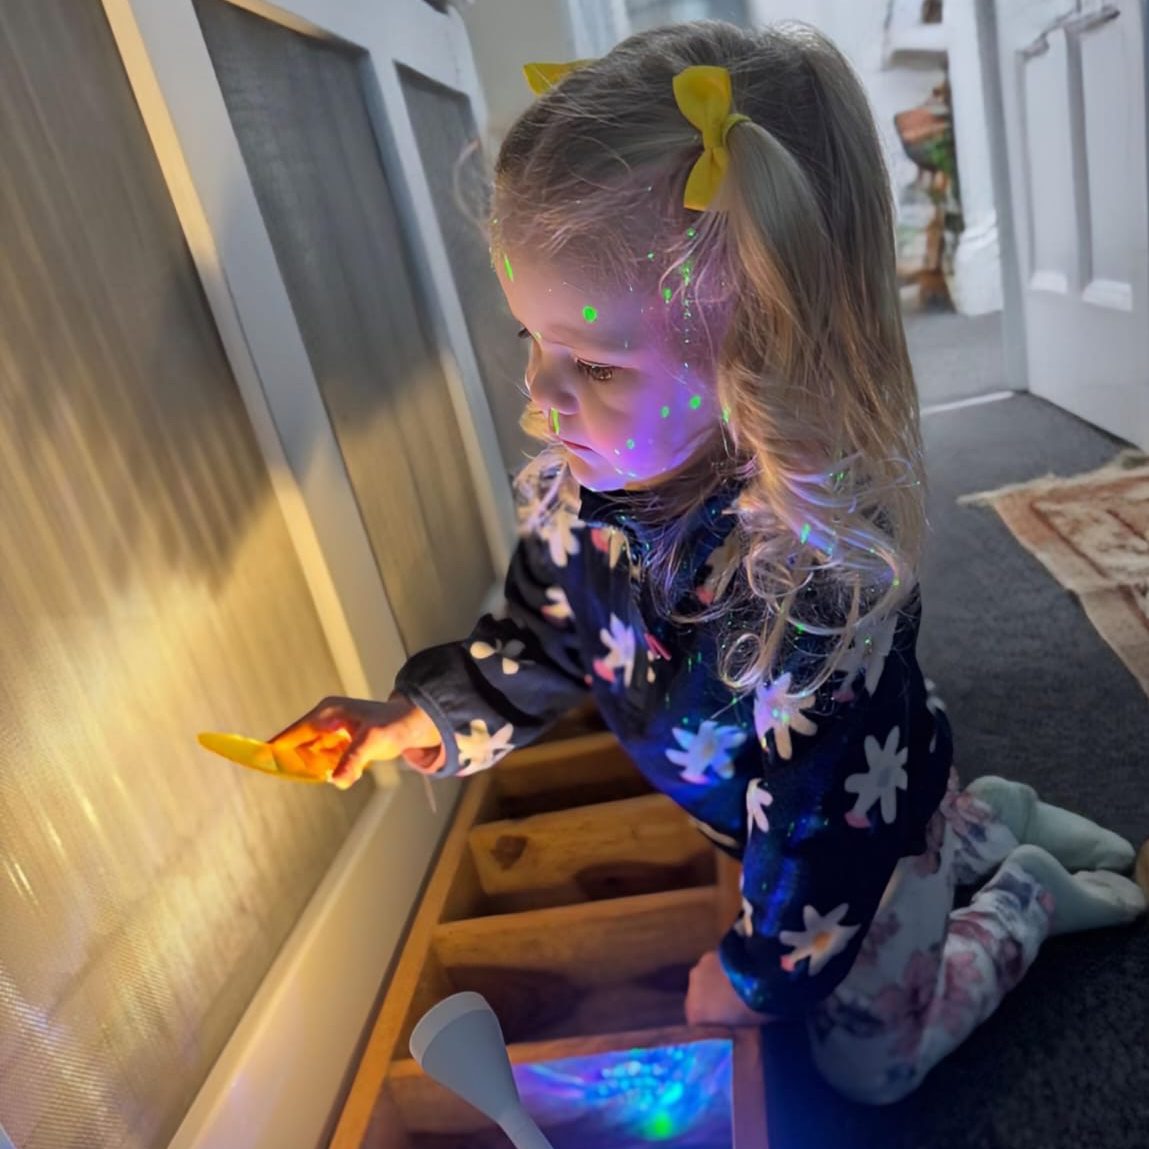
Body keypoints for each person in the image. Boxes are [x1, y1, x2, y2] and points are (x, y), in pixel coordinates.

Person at [272, 21, 1146, 1105]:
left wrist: (753, 981)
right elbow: (538, 639)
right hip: (808, 810)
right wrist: (423, 717)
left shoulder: (819, 593)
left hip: (855, 846)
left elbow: (823, 845)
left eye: (592, 361)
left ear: (759, 355)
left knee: (867, 1062)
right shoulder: (584, 488)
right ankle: (982, 811)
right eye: (528, 344)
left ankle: (1019, 893)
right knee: (908, 798)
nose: (540, 399)